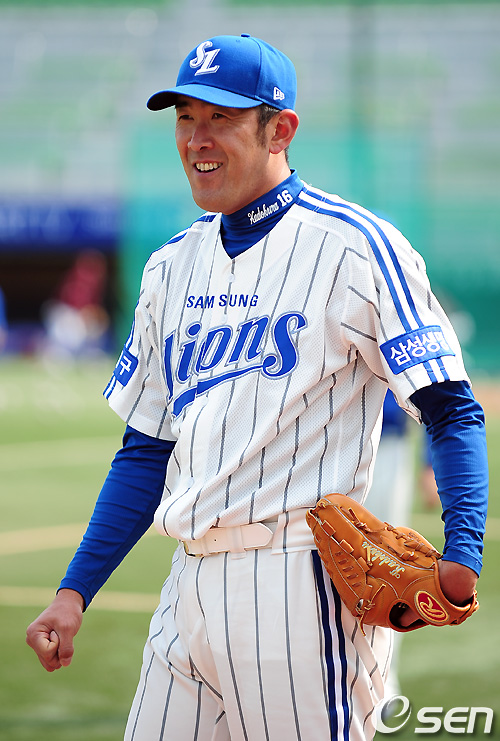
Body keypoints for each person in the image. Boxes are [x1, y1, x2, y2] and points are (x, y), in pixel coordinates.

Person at [26, 34, 488, 741]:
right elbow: (145, 449)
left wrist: (463, 556)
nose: (197, 139)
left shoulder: (356, 247)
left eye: (221, 118)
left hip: (295, 580)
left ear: (281, 129)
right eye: (185, 118)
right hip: (186, 584)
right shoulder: (169, 267)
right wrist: (73, 591)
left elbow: (451, 407)